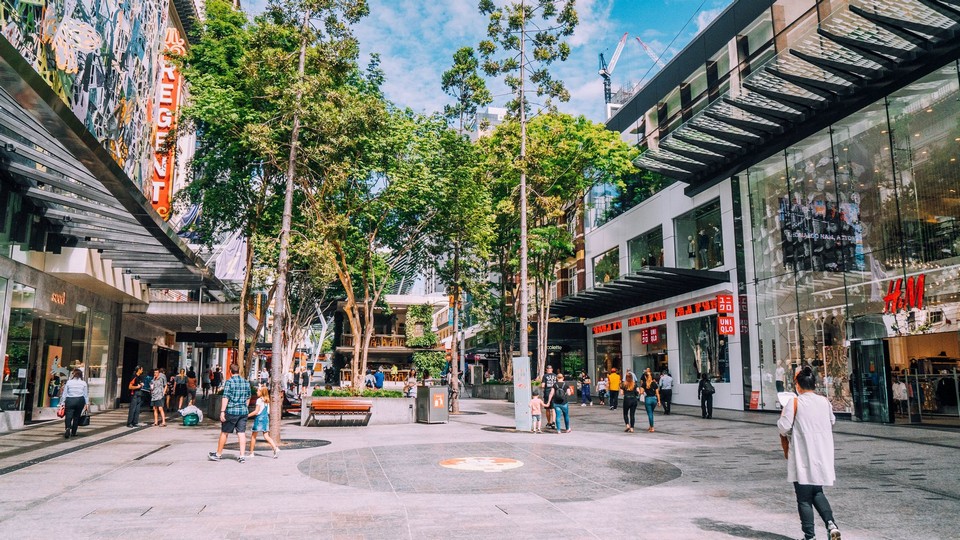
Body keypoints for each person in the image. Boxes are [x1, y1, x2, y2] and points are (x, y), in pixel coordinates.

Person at [778, 366, 842, 540]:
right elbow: (832, 421)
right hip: (821, 453)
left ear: (798, 386)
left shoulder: (794, 402)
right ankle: (831, 525)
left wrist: (783, 414)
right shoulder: (824, 402)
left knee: (804, 497)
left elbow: (783, 427)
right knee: (817, 492)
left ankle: (809, 536)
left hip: (803, 455)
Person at [209, 364, 252, 463]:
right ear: (239, 371)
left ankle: (218, 454)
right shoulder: (246, 382)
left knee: (225, 432)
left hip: (232, 411)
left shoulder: (229, 382)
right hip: (243, 411)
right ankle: (242, 456)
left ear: (230, 371)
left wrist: (222, 411)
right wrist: (245, 406)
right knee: (241, 433)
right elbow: (249, 396)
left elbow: (225, 397)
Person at [248, 386, 280, 458]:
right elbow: (267, 412)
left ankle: (251, 453)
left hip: (259, 419)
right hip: (265, 419)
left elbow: (256, 411)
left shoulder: (259, 400)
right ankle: (275, 447)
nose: (256, 392)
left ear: (261, 392)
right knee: (266, 436)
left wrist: (247, 415)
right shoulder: (267, 400)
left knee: (253, 436)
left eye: (258, 391)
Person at [60, 368, 89, 439]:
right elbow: (85, 394)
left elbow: (65, 393)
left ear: (73, 374)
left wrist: (62, 403)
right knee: (76, 416)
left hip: (70, 400)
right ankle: (74, 432)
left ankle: (67, 428)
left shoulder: (69, 382)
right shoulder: (83, 383)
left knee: (68, 415)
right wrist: (87, 403)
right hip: (80, 400)